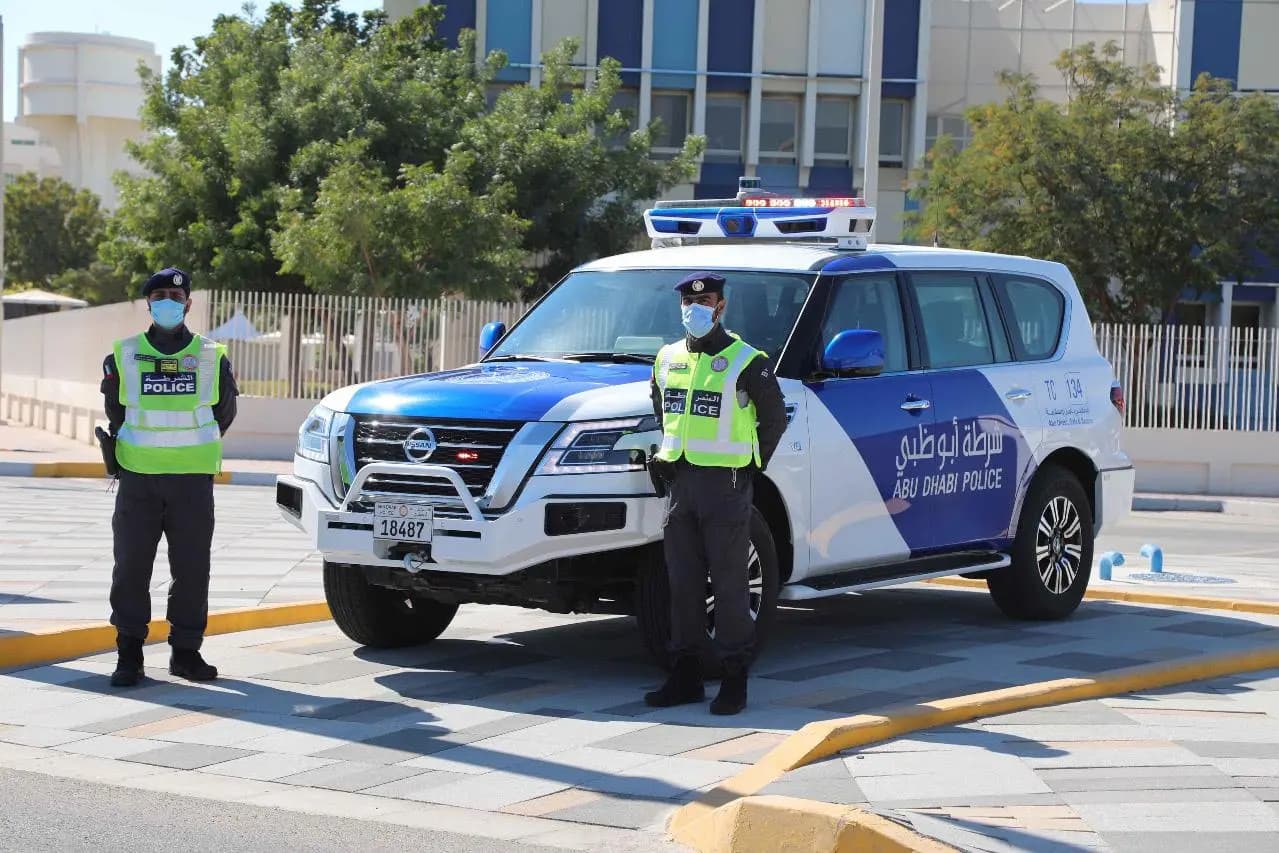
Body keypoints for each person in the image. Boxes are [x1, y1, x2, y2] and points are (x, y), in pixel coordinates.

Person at [644, 272, 787, 715]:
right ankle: (685, 673)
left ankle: (734, 677)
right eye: (688, 302)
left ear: (721, 306)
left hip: (725, 485)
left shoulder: (748, 360)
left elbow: (774, 420)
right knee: (682, 583)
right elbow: (661, 409)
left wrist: (747, 467)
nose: (694, 309)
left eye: (704, 300)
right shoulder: (667, 357)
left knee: (729, 584)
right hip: (680, 484)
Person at [100, 268, 239, 687]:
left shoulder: (212, 355)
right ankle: (129, 655)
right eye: (159, 295)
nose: (167, 302)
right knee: (131, 568)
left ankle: (186, 652)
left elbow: (224, 413)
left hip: (192, 480)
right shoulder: (122, 355)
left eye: (175, 296)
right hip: (138, 479)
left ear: (188, 304)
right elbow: (116, 412)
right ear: (148, 303)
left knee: (192, 568)